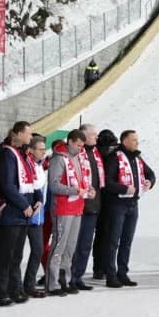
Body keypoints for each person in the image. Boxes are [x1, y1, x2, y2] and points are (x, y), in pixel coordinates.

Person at [0, 121, 39, 306]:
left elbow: (31, 181)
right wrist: (23, 204)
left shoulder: (20, 154)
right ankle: (0, 293)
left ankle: (14, 288)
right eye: (28, 133)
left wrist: (35, 201)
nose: (31, 137)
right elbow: (7, 185)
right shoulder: (7, 154)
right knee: (5, 255)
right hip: (11, 213)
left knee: (16, 255)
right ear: (17, 133)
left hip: (22, 213)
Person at [102, 130, 156, 287]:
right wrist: (123, 189)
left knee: (127, 240)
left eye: (137, 140)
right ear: (124, 141)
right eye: (133, 140)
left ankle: (123, 272)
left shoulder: (137, 158)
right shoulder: (114, 157)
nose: (136, 143)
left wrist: (149, 182)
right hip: (117, 204)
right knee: (113, 240)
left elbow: (150, 173)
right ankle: (110, 275)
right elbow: (107, 181)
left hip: (133, 204)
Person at [48, 130, 93, 295]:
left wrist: (89, 190)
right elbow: (54, 185)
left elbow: (83, 181)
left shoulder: (79, 158)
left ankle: (65, 280)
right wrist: (75, 190)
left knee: (70, 247)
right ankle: (52, 283)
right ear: (71, 142)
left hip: (77, 207)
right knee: (59, 245)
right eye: (79, 145)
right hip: (63, 207)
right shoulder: (59, 158)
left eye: (83, 146)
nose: (81, 149)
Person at [70, 124, 104, 291]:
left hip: (93, 205)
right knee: (74, 244)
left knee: (85, 244)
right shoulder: (77, 153)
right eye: (93, 135)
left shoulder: (96, 153)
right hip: (79, 204)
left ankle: (78, 276)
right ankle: (69, 276)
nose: (96, 138)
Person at [21, 135, 49, 298]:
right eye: (40, 149)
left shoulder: (39, 166)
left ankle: (28, 285)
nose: (43, 152)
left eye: (44, 149)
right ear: (31, 150)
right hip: (26, 214)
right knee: (16, 253)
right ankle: (16, 285)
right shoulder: (27, 164)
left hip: (38, 217)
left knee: (38, 250)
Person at [91, 129, 118, 281]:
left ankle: (98, 268)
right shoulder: (115, 154)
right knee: (111, 237)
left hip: (98, 199)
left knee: (99, 237)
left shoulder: (96, 153)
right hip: (111, 200)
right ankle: (108, 267)